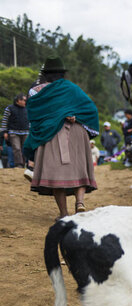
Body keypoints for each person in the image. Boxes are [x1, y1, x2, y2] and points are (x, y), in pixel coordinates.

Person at [24, 56, 98, 219]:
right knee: (80, 169)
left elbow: (33, 112)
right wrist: (75, 116)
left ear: (46, 74)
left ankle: (64, 214)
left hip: (51, 133)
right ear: (62, 74)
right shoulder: (72, 88)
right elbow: (90, 109)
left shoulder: (37, 91)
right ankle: (80, 202)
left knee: (55, 174)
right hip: (76, 132)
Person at [1, 93, 29, 168]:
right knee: (17, 148)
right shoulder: (9, 108)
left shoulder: (27, 109)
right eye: (24, 100)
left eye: (26, 100)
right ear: (18, 100)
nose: (25, 102)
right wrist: (5, 132)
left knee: (25, 148)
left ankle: (24, 164)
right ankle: (18, 164)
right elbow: (4, 121)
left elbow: (30, 121)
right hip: (13, 132)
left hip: (26, 132)